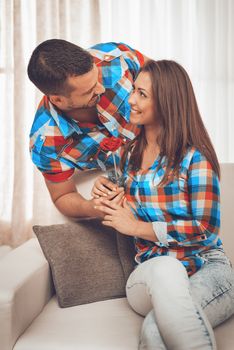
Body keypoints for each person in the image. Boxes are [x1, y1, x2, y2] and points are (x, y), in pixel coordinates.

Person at [92, 59, 234, 349]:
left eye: (142, 94)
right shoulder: (125, 156)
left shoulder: (196, 159)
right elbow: (117, 207)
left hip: (208, 268)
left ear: (167, 102)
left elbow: (205, 229)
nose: (130, 99)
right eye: (134, 90)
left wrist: (138, 227)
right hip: (149, 276)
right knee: (165, 268)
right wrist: (102, 190)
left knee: (156, 332)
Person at [27, 39, 148, 218]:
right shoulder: (45, 141)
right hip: (118, 177)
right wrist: (93, 207)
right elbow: (63, 195)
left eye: (96, 77)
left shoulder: (116, 58)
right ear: (58, 99)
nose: (100, 89)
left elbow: (167, 83)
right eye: (88, 91)